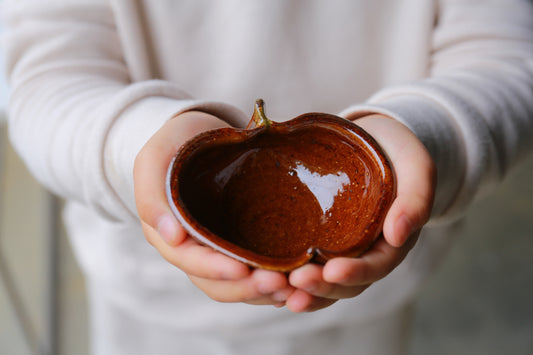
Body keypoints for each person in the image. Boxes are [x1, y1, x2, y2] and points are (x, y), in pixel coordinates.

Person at [3, 0, 533, 354]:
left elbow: (504, 52)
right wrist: (137, 144)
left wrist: (421, 134)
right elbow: (43, 75)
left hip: (370, 294)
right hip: (150, 298)